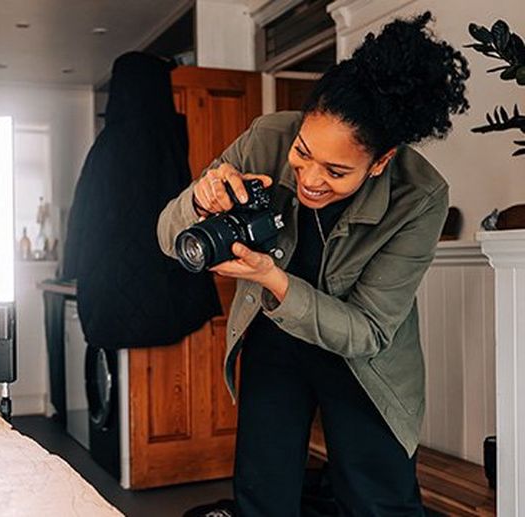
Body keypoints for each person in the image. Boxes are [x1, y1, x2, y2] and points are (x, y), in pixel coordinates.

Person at [157, 12, 469, 516]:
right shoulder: (269, 138)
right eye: (305, 152)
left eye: (337, 170)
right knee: (262, 495)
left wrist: (273, 279)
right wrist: (199, 199)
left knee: (378, 501)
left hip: (365, 362)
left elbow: (368, 330)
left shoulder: (420, 196)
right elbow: (168, 236)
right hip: (275, 339)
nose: (310, 178)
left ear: (381, 161)